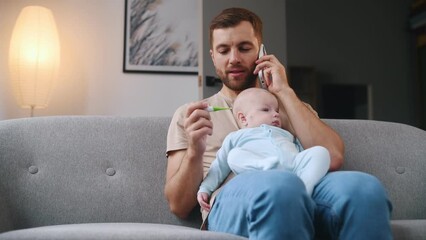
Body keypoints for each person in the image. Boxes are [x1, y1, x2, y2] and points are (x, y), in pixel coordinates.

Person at [165, 7, 392, 240]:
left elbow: (332, 156)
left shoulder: (289, 105)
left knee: (363, 188)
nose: (234, 58)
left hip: (303, 185)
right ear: (213, 56)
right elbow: (178, 206)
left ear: (261, 52)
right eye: (224, 50)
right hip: (233, 199)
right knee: (281, 187)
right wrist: (195, 150)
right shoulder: (191, 115)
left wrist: (284, 91)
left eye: (244, 48)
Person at [197, 88, 330, 212]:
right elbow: (219, 166)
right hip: (261, 171)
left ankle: (305, 190)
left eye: (276, 111)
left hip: (293, 168)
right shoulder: (236, 137)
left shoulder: (285, 134)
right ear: (244, 118)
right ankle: (266, 166)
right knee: (233, 155)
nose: (276, 115)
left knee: (320, 152)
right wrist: (205, 189)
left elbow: (301, 151)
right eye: (266, 110)